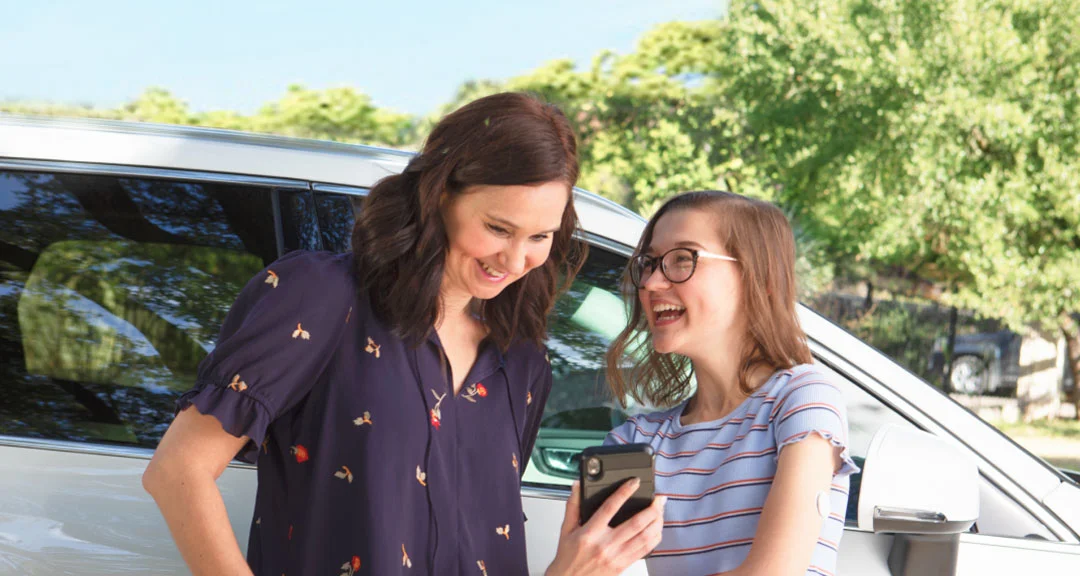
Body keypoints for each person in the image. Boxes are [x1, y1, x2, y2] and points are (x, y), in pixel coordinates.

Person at [142, 92, 663, 576]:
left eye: (540, 237)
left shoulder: (523, 363)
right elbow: (177, 472)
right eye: (499, 229)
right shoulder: (322, 296)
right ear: (439, 198)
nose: (515, 259)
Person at [604, 191, 859, 575]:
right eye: (650, 263)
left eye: (682, 259)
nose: (653, 283)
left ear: (760, 278)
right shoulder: (630, 443)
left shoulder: (803, 399)